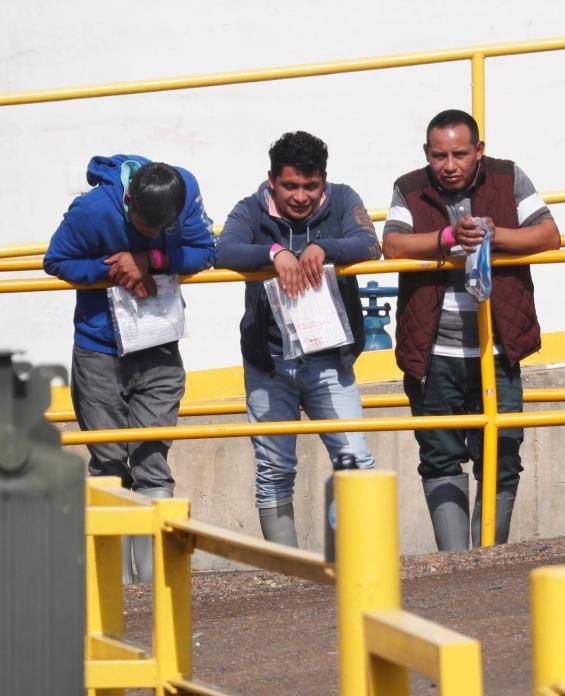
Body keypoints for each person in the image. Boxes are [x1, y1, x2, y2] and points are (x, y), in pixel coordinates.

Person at [382, 109, 560, 551]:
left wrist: (494, 235)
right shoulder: (410, 187)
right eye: (440, 155)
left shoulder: (508, 177)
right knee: (439, 457)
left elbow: (549, 235)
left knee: (501, 458)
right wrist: (447, 239)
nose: (450, 165)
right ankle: (454, 566)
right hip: (432, 353)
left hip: (498, 351)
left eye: (460, 153)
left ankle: (490, 560)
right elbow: (393, 245)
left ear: (479, 150)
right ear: (427, 154)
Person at [43, 155, 216, 581]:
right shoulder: (92, 210)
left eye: (164, 228)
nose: (156, 234)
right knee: (107, 462)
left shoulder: (185, 188)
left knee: (152, 461)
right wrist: (112, 268)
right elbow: (57, 260)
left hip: (157, 341)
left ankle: (156, 584)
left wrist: (150, 258)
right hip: (99, 349)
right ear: (128, 203)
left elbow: (205, 251)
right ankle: (113, 587)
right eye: (145, 227)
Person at [215, 131, 379, 548]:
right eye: (290, 185)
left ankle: (359, 564)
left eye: (311, 186)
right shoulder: (249, 208)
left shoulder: (342, 199)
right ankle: (287, 582)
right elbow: (224, 250)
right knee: (274, 470)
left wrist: (323, 247)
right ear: (271, 180)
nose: (301, 196)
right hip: (269, 362)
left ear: (324, 180)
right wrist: (274, 252)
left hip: (330, 360)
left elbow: (368, 244)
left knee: (355, 460)